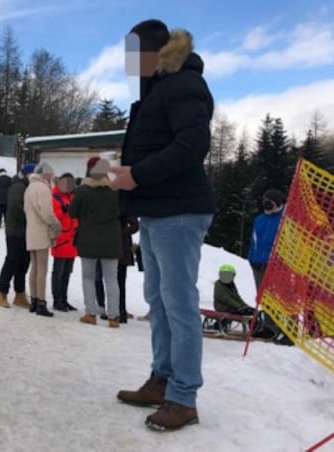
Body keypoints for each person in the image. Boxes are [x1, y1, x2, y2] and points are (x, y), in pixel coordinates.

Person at [111, 20, 215, 431]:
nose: (128, 62)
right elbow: (152, 149)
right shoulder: (155, 90)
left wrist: (138, 175)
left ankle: (184, 396)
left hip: (182, 212)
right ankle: (162, 379)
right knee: (158, 299)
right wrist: (130, 193)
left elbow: (193, 146)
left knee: (179, 304)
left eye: (133, 52)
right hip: (158, 210)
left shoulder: (183, 84)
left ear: (154, 51)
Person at [70, 158, 122, 327]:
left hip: (88, 240)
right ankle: (114, 316)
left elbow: (72, 213)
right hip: (111, 241)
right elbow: (124, 212)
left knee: (88, 277)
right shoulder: (116, 190)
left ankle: (91, 313)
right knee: (112, 280)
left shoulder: (83, 191)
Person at [0, 163, 36, 309]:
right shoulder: (18, 187)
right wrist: (32, 217)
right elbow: (16, 208)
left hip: (26, 231)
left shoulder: (27, 187)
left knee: (24, 263)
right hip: (15, 231)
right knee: (12, 261)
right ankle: (1, 292)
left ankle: (20, 293)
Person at [24, 162, 62, 317]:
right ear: (46, 174)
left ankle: (33, 300)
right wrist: (56, 225)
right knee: (42, 268)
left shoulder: (29, 188)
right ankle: (41, 302)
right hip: (41, 231)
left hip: (31, 231)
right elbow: (46, 213)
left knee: (34, 267)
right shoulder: (43, 188)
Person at [51, 173, 79, 312]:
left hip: (72, 240)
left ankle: (64, 298)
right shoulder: (55, 197)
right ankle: (57, 300)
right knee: (58, 272)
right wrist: (64, 211)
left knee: (67, 272)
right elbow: (54, 218)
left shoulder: (72, 196)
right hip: (61, 239)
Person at [248, 189, 284, 291]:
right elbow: (253, 241)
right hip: (257, 264)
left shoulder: (284, 219)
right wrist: (251, 258)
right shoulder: (259, 219)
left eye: (270, 201)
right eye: (265, 200)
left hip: (275, 265)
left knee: (276, 295)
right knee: (261, 294)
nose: (266, 203)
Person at [117, 216, 141, 322]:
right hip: (117, 246)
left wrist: (119, 232)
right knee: (114, 280)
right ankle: (114, 309)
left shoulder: (124, 203)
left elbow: (135, 225)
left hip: (122, 247)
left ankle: (121, 311)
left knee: (120, 281)